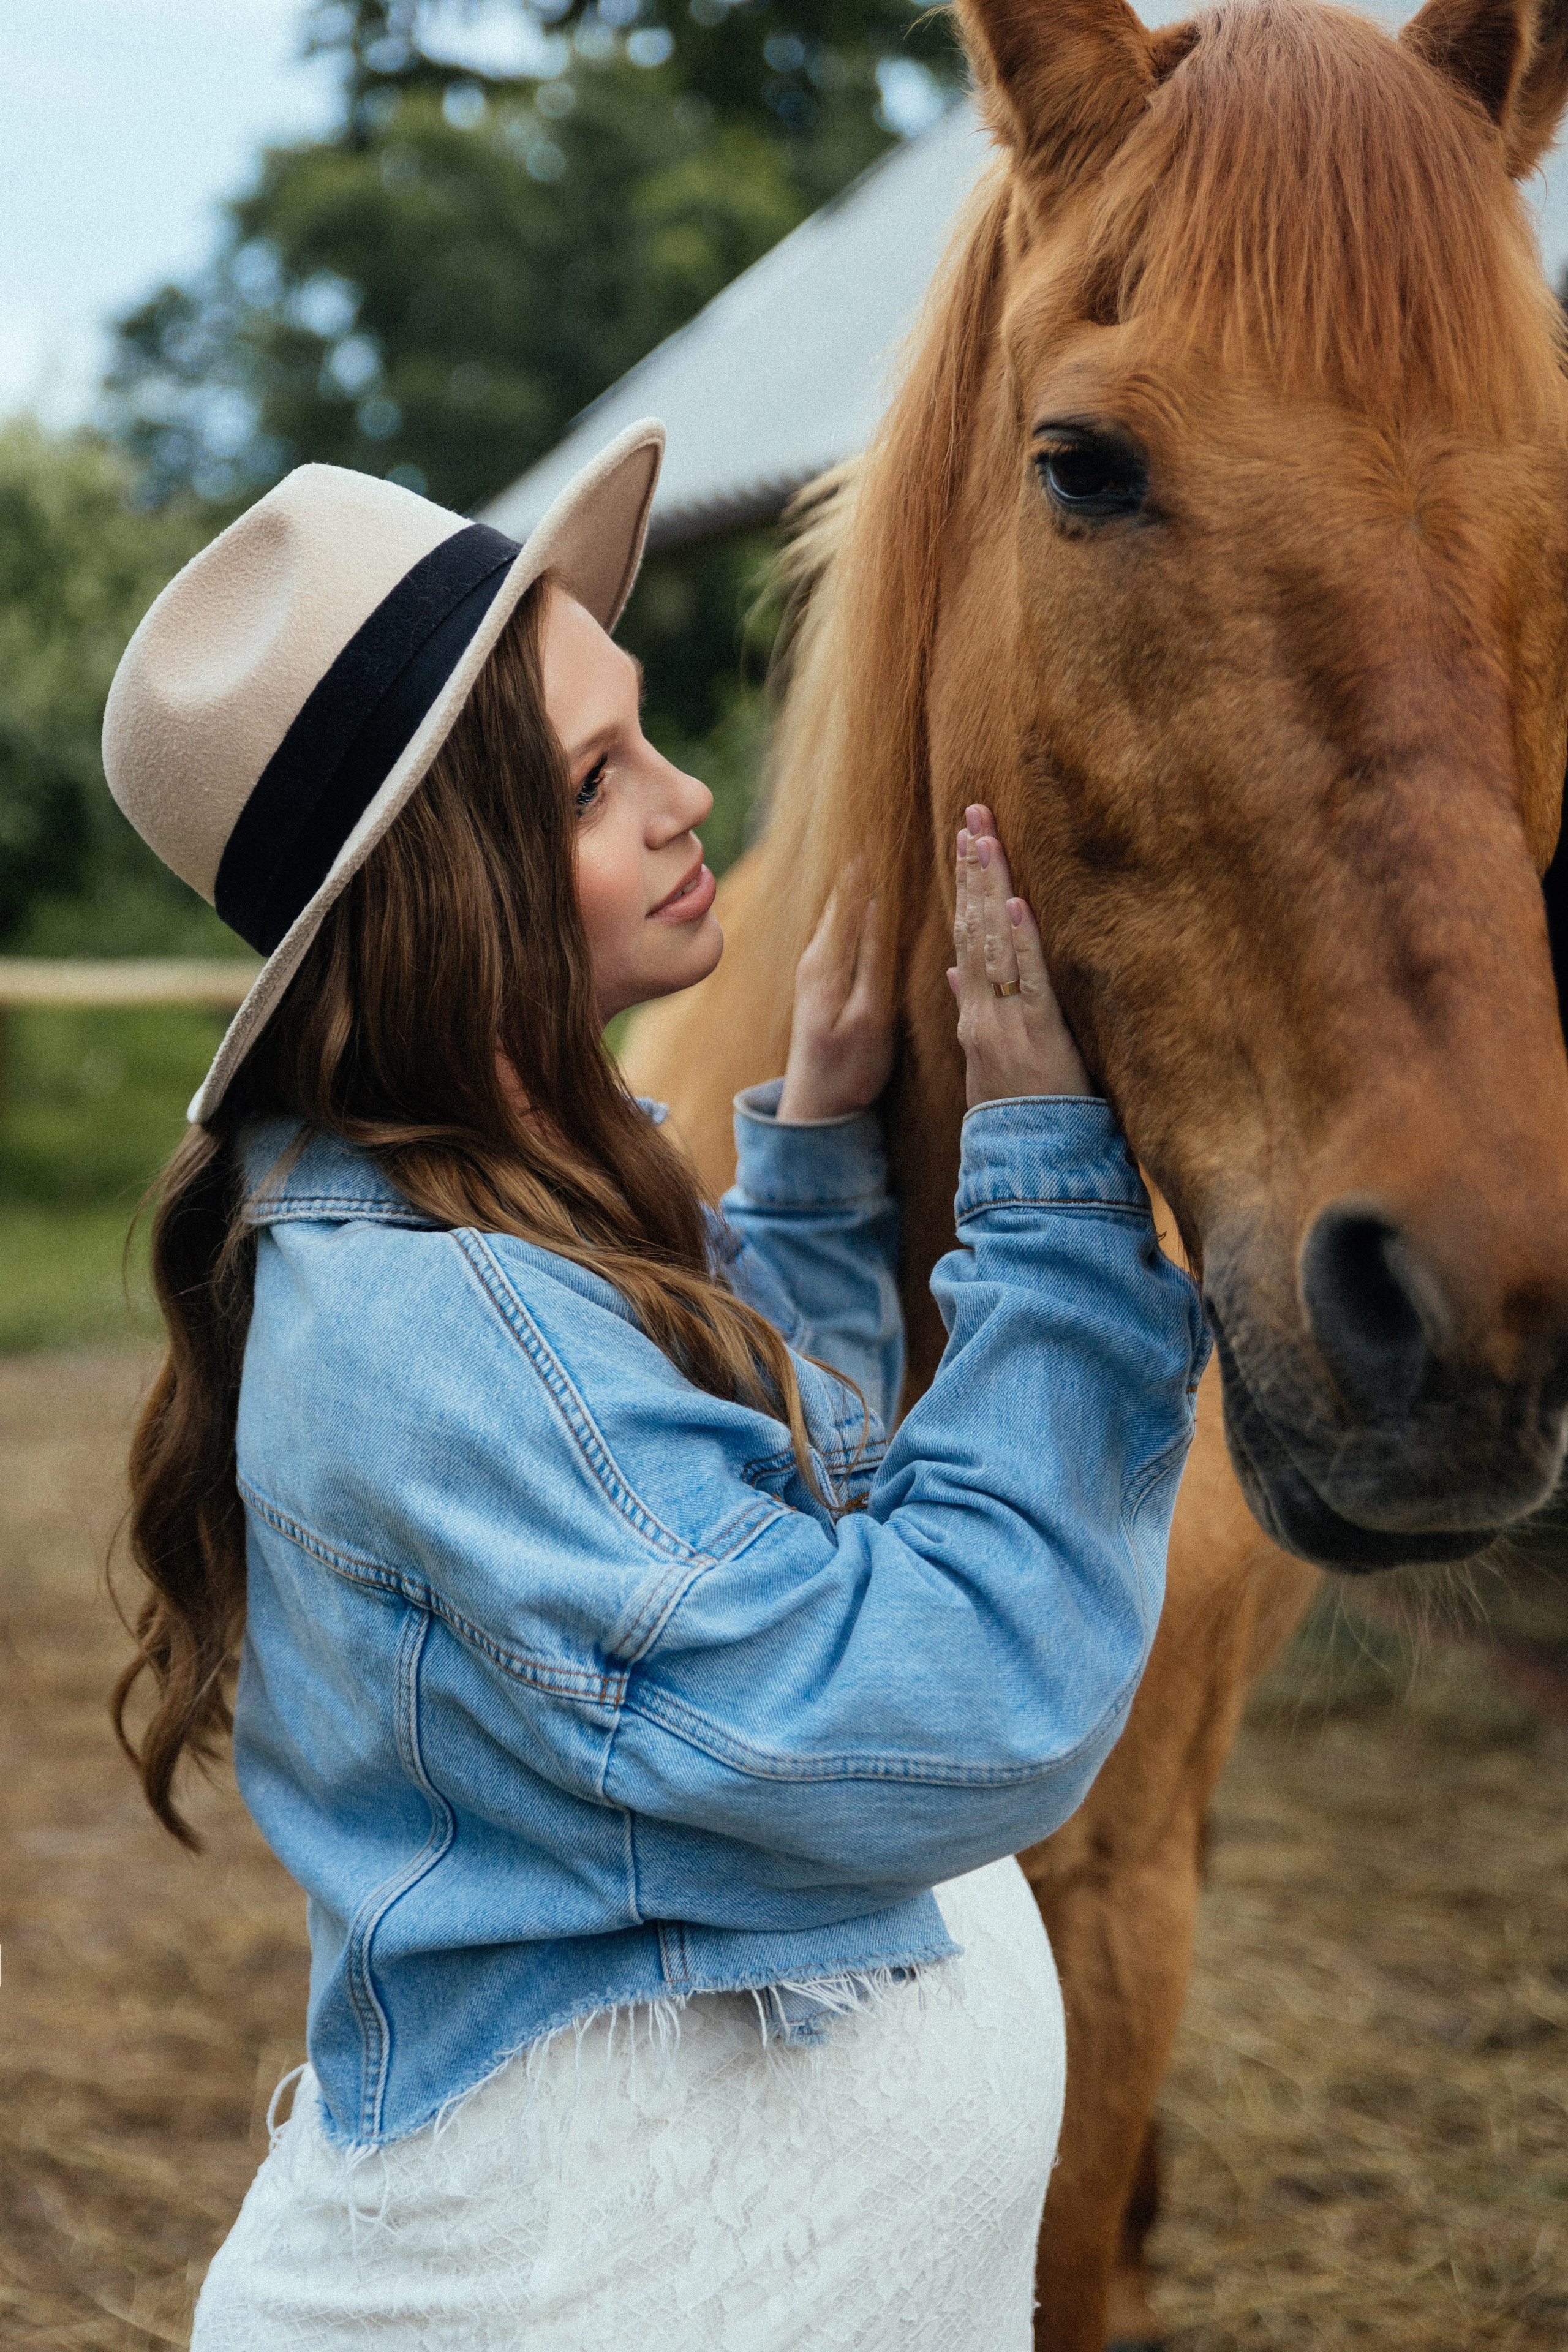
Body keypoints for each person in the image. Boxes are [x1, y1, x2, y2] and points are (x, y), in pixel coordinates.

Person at [103, 420, 1209, 2350]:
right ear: (453, 887)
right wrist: (1052, 1218)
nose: (692, 797)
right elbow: (939, 1705)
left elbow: (741, 1522)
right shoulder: (443, 1326)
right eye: (597, 779)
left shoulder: (495, 1217)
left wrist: (819, 1174)